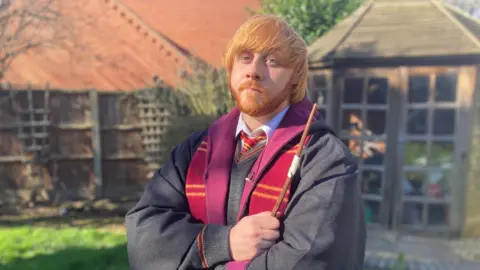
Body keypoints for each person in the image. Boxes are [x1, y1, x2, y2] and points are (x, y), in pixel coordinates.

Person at [125, 14, 366, 270]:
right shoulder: (195, 150)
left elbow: (310, 260)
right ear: (231, 69)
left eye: (272, 60)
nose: (253, 71)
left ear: (295, 76)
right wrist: (222, 243)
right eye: (245, 58)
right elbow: (144, 234)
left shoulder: (325, 160)